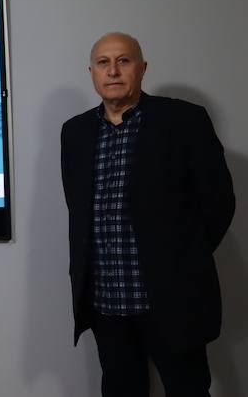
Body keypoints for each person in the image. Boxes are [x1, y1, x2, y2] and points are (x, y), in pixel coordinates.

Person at [60, 33, 235, 397]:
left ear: (142, 68)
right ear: (91, 72)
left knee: (188, 390)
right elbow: (80, 214)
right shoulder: (75, 132)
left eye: (123, 61)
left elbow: (219, 202)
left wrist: (185, 259)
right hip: (107, 302)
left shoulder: (184, 120)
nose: (113, 71)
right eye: (103, 63)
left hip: (172, 300)